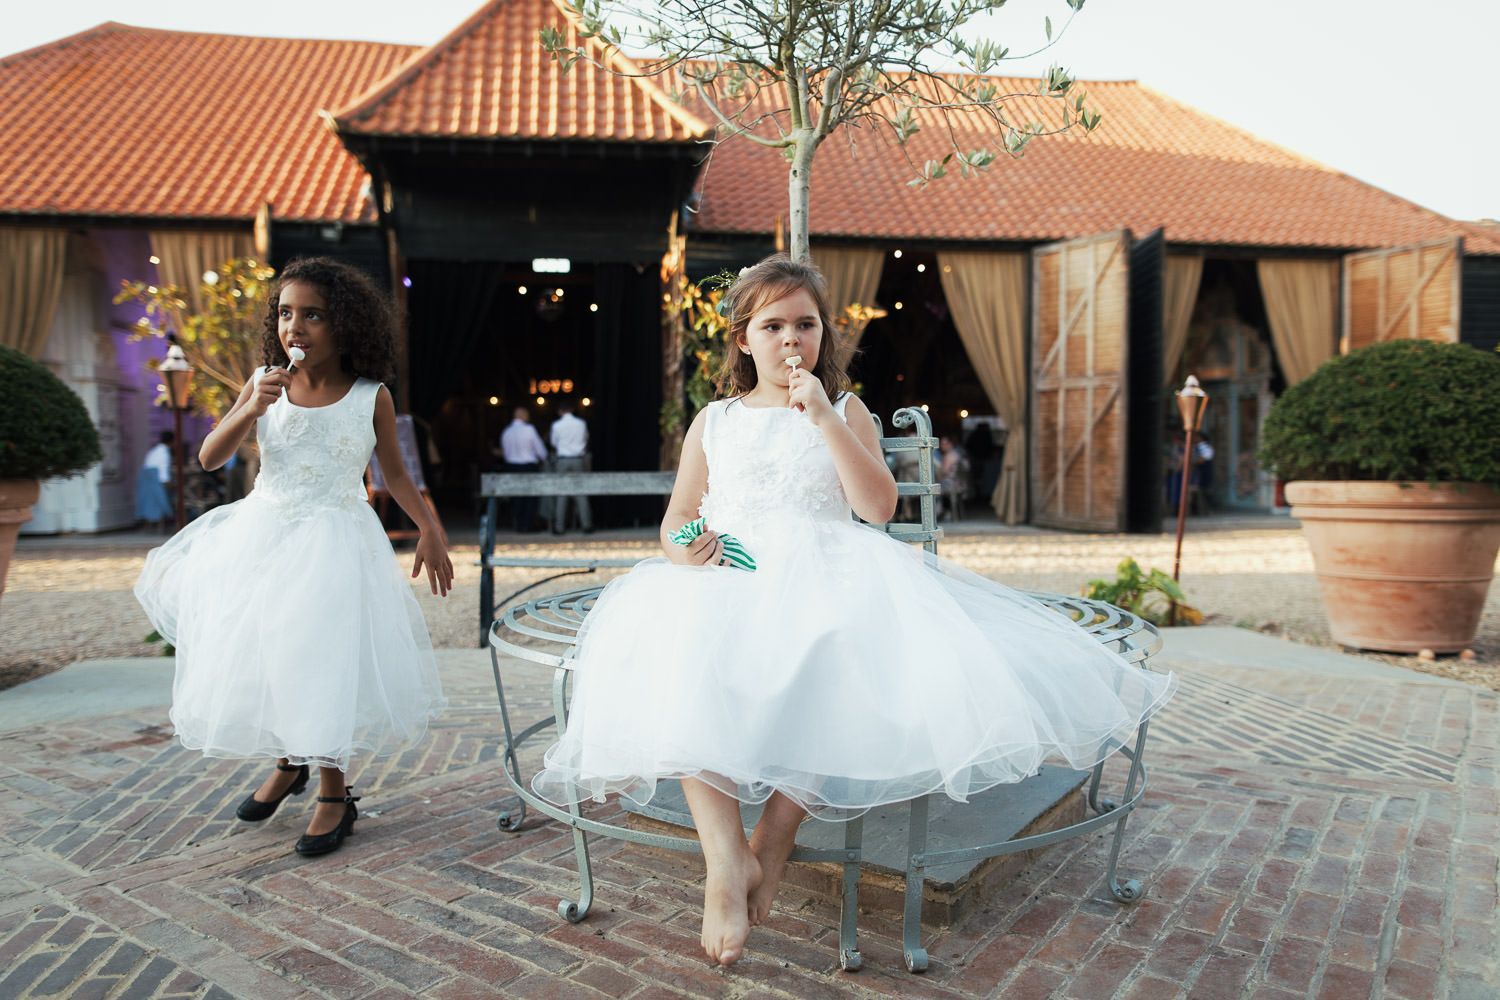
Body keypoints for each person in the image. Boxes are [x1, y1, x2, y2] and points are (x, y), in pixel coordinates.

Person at [531, 255, 1177, 968]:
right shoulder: (714, 421)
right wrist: (687, 548)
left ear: (822, 335)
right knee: (678, 655)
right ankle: (725, 859)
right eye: (772, 325)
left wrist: (821, 419)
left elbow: (876, 507)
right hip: (729, 575)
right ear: (744, 339)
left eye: (804, 325)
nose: (791, 341)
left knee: (836, 659)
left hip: (829, 573)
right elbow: (679, 515)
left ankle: (772, 838)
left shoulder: (845, 410)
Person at [133, 257, 451, 858]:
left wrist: (429, 529)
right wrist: (249, 407)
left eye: (313, 315)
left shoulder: (368, 397)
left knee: (318, 657)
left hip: (334, 540)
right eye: (285, 313)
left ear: (347, 325)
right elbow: (208, 456)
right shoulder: (264, 385)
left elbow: (396, 474)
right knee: (269, 651)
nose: (294, 327)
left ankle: (335, 791)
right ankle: (289, 760)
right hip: (264, 534)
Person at [499, 406, 548, 532]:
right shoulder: (529, 429)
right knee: (530, 497)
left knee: (516, 497)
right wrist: (545, 458)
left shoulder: (507, 432)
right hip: (528, 467)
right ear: (523, 416)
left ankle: (519, 525)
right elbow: (540, 449)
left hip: (511, 467)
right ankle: (528, 525)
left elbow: (505, 453)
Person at [549, 401, 594, 535]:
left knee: (562, 493)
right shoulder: (581, 423)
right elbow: (585, 440)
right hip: (578, 459)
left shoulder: (556, 425)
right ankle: (586, 525)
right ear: (572, 409)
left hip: (562, 460)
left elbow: (553, 442)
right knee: (581, 493)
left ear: (559, 412)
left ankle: (559, 527)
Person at [136, 430, 173, 531]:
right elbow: (164, 476)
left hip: (146, 488)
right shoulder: (164, 453)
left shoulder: (152, 452)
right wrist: (173, 487)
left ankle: (151, 524)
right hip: (158, 488)